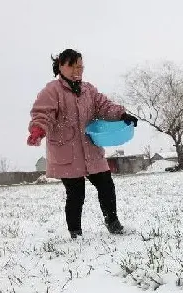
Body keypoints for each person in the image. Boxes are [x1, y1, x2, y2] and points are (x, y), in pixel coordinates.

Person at [27, 48, 138, 239]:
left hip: (90, 149)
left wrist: (121, 114)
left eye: (80, 66)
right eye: (73, 66)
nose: (77, 70)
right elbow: (42, 113)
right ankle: (75, 233)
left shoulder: (88, 90)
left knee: (106, 185)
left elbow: (104, 106)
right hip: (66, 152)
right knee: (76, 194)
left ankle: (113, 223)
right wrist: (38, 129)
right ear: (61, 66)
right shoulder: (52, 91)